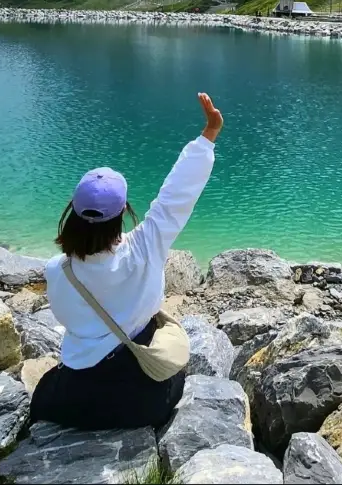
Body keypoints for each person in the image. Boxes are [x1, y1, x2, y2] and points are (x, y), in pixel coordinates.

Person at [30, 92, 223, 430]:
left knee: (45, 390)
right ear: (122, 213)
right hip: (143, 400)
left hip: (79, 399)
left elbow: (68, 319)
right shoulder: (144, 248)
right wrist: (207, 136)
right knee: (176, 368)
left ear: (71, 214)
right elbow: (176, 197)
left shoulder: (57, 271)